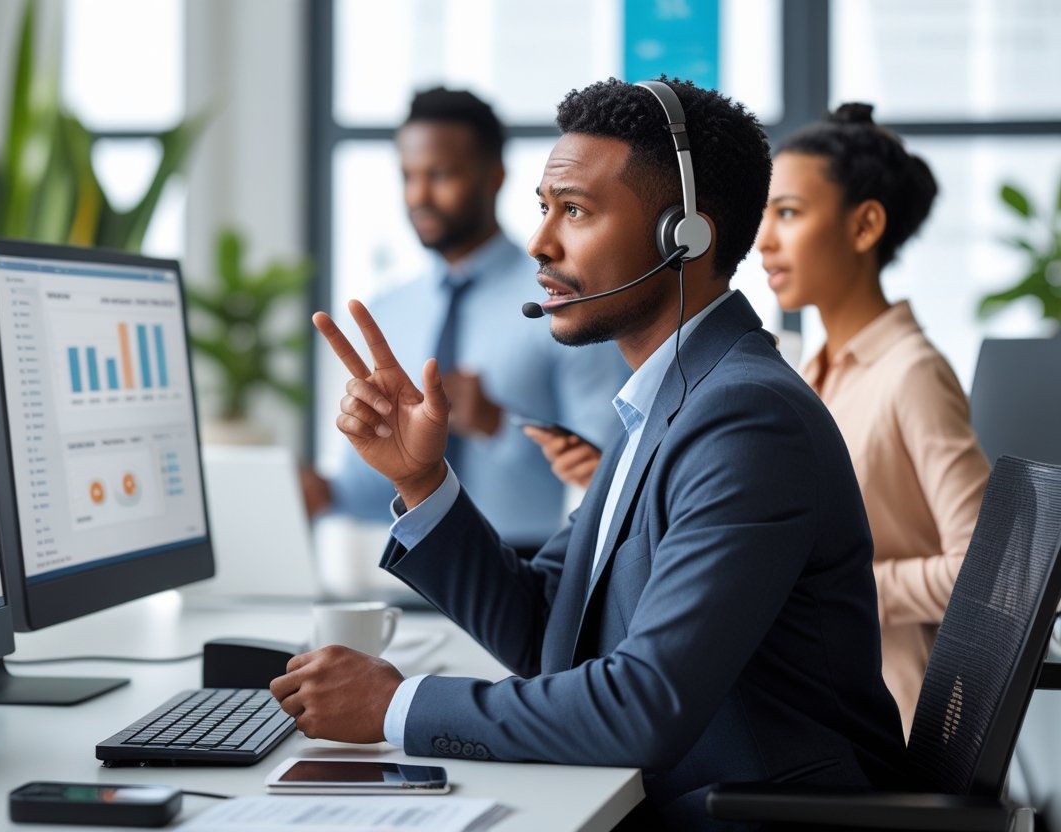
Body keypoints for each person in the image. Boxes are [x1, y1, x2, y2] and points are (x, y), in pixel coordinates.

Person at [272, 77, 907, 829]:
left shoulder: (745, 419)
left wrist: (396, 705)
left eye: (574, 211)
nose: (540, 243)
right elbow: (552, 629)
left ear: (686, 237)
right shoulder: (667, 400)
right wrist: (421, 480)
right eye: (545, 208)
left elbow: (644, 707)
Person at [302, 87, 628, 557]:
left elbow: (612, 467)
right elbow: (384, 490)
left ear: (493, 176)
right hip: (409, 569)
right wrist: (325, 493)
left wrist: (498, 423)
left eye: (441, 175)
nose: (419, 195)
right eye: (408, 176)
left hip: (534, 566)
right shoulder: (387, 312)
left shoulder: (562, 298)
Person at [755, 103, 991, 736]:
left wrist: (843, 588)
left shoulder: (911, 373)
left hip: (890, 718)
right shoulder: (805, 373)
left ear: (864, 226)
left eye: (788, 213)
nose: (764, 242)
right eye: (764, 214)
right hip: (815, 697)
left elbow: (984, 571)